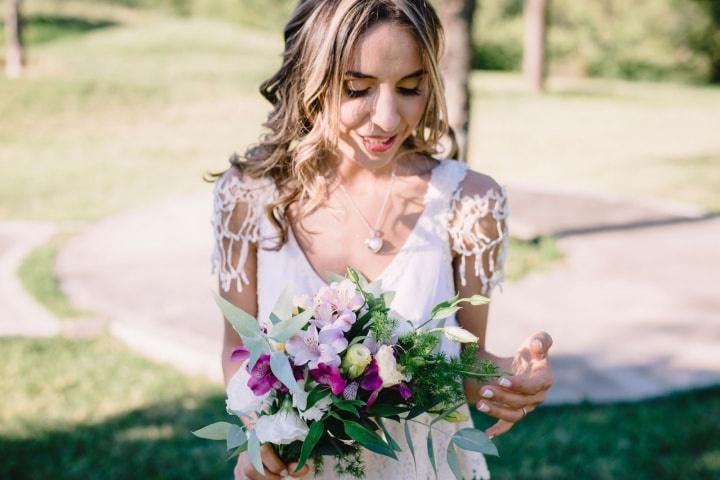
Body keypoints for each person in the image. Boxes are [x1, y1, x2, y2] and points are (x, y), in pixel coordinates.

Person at [209, 1, 553, 478]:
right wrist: (260, 433)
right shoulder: (248, 198)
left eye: (410, 87)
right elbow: (238, 349)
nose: (388, 118)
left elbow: (464, 364)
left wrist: (507, 380)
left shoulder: (470, 203)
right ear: (310, 78)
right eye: (358, 89)